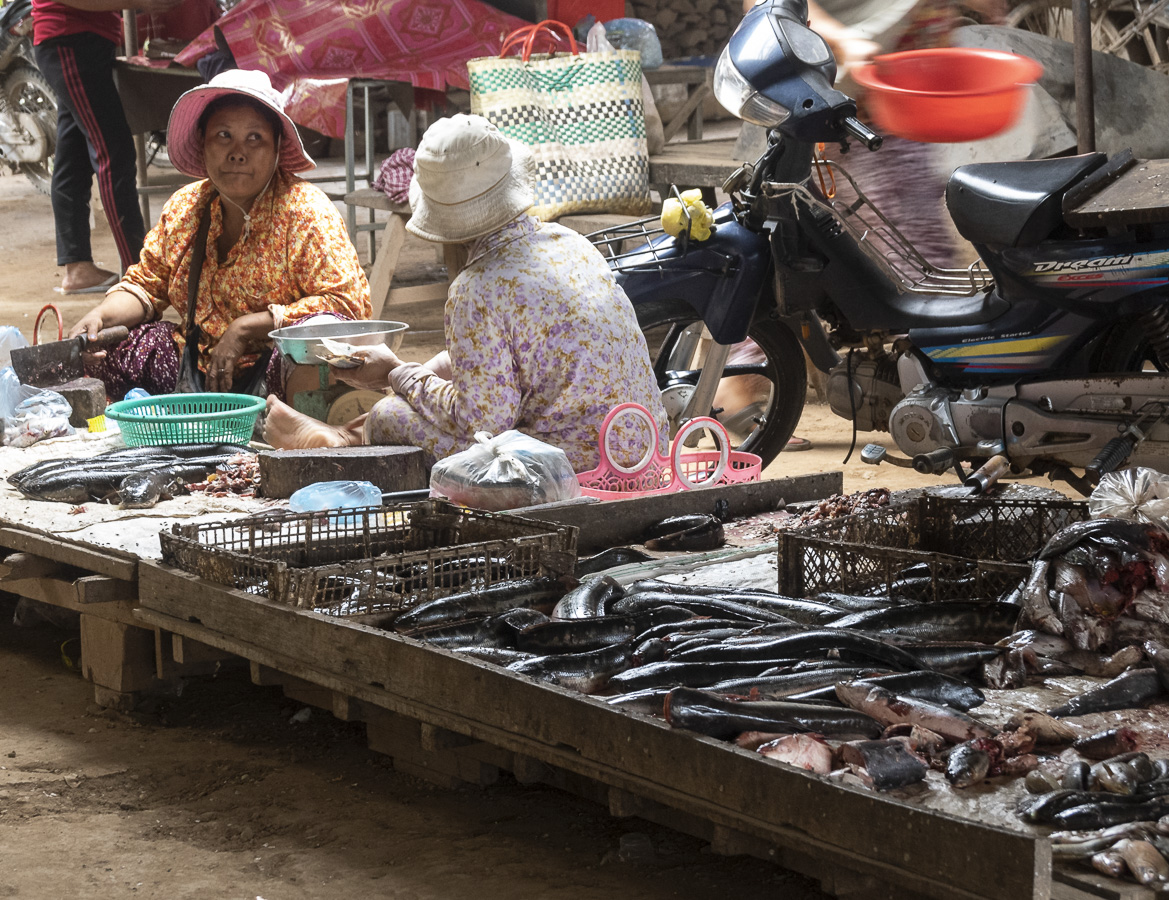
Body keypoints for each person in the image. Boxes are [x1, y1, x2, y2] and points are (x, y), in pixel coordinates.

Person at [263, 114, 668, 473]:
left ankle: (346, 442)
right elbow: (497, 364)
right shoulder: (570, 241)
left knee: (390, 415)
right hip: (645, 448)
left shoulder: (476, 288)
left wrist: (395, 374)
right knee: (405, 403)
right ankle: (344, 435)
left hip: (569, 468)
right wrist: (410, 370)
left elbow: (485, 422)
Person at [68, 68, 371, 400]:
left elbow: (346, 308)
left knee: (317, 349)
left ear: (276, 149)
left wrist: (246, 329)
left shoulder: (306, 211)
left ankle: (294, 430)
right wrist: (99, 317)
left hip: (280, 373)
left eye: (255, 138)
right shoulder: (186, 207)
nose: (237, 152)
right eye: (223, 136)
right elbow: (145, 285)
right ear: (202, 142)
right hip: (201, 369)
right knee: (110, 351)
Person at [31, 0, 186, 294]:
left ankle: (78, 268)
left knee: (73, 158)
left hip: (79, 41)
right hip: (70, 39)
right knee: (114, 153)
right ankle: (140, 272)